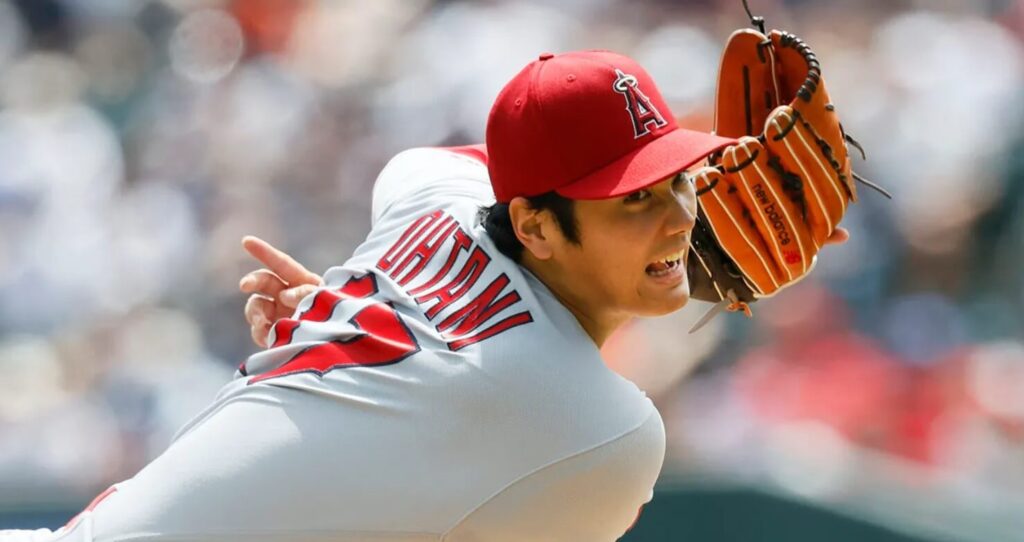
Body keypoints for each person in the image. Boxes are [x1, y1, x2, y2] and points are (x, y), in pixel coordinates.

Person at [3, 50, 844, 541]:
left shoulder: (429, 195)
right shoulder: (603, 432)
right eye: (635, 200)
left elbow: (456, 177)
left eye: (677, 181)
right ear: (536, 227)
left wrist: (365, 308)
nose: (680, 220)